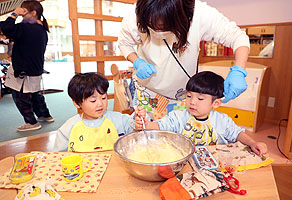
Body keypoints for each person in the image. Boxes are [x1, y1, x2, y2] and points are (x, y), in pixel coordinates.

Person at [118, 0, 250, 121]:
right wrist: (137, 61)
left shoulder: (200, 13)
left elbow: (237, 36)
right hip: (147, 92)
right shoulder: (134, 15)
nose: (158, 31)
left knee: (179, 135)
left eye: (165, 26)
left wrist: (239, 70)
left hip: (184, 96)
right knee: (147, 134)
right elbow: (124, 44)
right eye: (152, 26)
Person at [135, 71, 267, 156]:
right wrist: (145, 123)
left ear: (215, 103)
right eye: (189, 96)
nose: (192, 102)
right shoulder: (178, 116)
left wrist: (252, 143)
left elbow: (237, 134)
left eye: (200, 98)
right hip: (183, 162)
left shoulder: (223, 121)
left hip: (215, 162)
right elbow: (159, 126)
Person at [0, 1, 53, 132]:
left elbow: (5, 27)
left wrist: (14, 14)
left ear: (33, 13)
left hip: (24, 69)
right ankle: (44, 115)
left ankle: (31, 122)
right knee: (34, 93)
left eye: (24, 11)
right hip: (35, 68)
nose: (22, 13)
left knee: (20, 96)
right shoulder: (41, 29)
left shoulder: (25, 28)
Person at [53, 72, 136, 152]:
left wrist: (138, 119)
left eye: (103, 98)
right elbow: (59, 155)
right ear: (77, 103)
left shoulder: (118, 119)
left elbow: (133, 125)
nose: (100, 104)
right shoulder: (69, 127)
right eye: (93, 101)